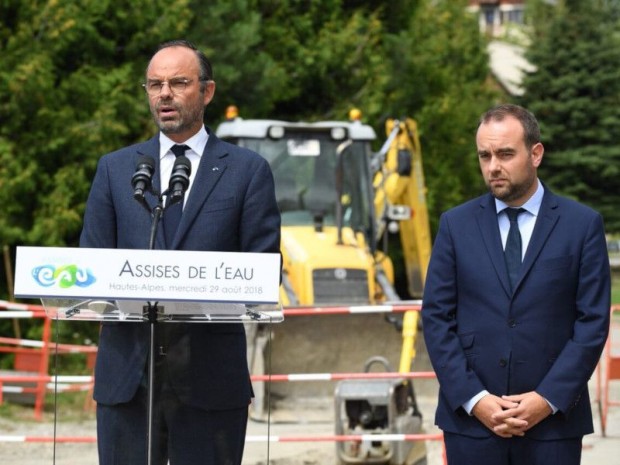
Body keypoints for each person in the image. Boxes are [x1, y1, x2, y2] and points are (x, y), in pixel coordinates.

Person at [80, 40, 281, 465]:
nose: (164, 94)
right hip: (128, 382)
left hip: (210, 382)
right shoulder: (116, 170)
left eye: (178, 83)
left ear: (206, 92)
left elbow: (265, 271)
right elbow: (91, 265)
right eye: (155, 84)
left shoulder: (247, 171)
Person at [421, 103, 610, 465]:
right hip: (472, 426)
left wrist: (547, 399)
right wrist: (476, 399)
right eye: (485, 155)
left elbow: (592, 322)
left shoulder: (581, 225)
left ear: (535, 153)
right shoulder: (455, 226)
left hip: (552, 427)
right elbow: (436, 318)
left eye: (506, 154)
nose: (493, 167)